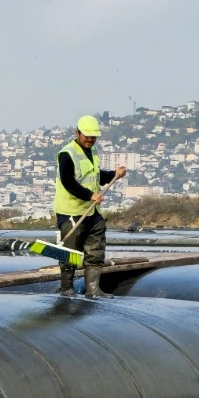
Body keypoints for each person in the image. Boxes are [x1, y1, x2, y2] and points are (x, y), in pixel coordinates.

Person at [54, 115, 126, 297]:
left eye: (93, 137)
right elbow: (68, 182)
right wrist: (89, 195)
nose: (90, 140)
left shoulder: (92, 152)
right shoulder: (67, 154)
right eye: (87, 136)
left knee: (95, 251)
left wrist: (114, 175)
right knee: (69, 253)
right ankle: (66, 289)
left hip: (92, 211)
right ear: (77, 133)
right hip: (72, 212)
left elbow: (97, 176)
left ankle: (93, 290)